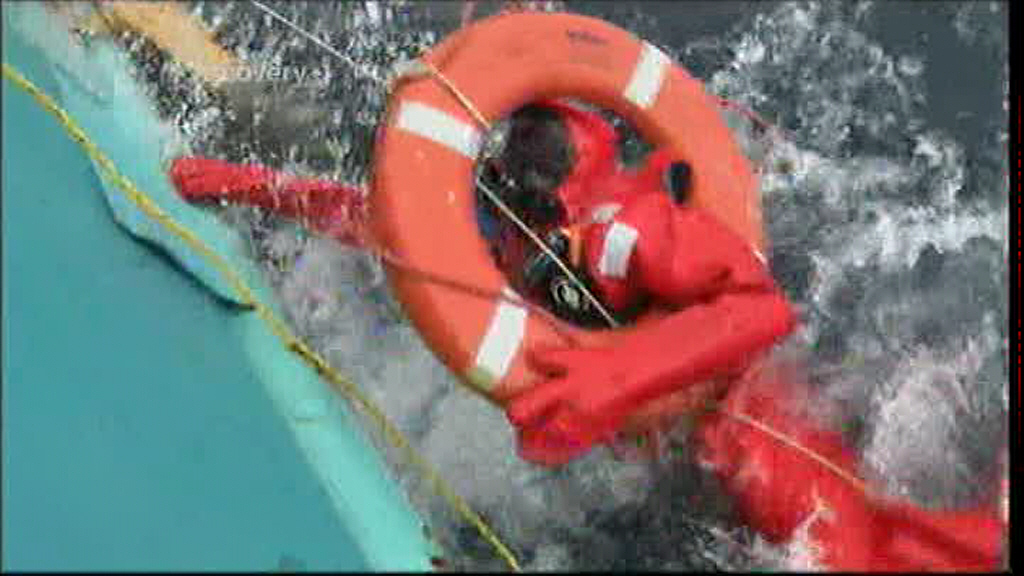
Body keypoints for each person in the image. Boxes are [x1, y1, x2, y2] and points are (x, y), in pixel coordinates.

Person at [168, 97, 1004, 573]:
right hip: (650, 444)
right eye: (498, 205)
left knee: (848, 549)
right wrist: (247, 185)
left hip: (736, 416)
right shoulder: (503, 230)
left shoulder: (629, 229)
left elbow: (761, 311)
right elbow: (384, 226)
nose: (502, 228)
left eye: (519, 212)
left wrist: (615, 379)